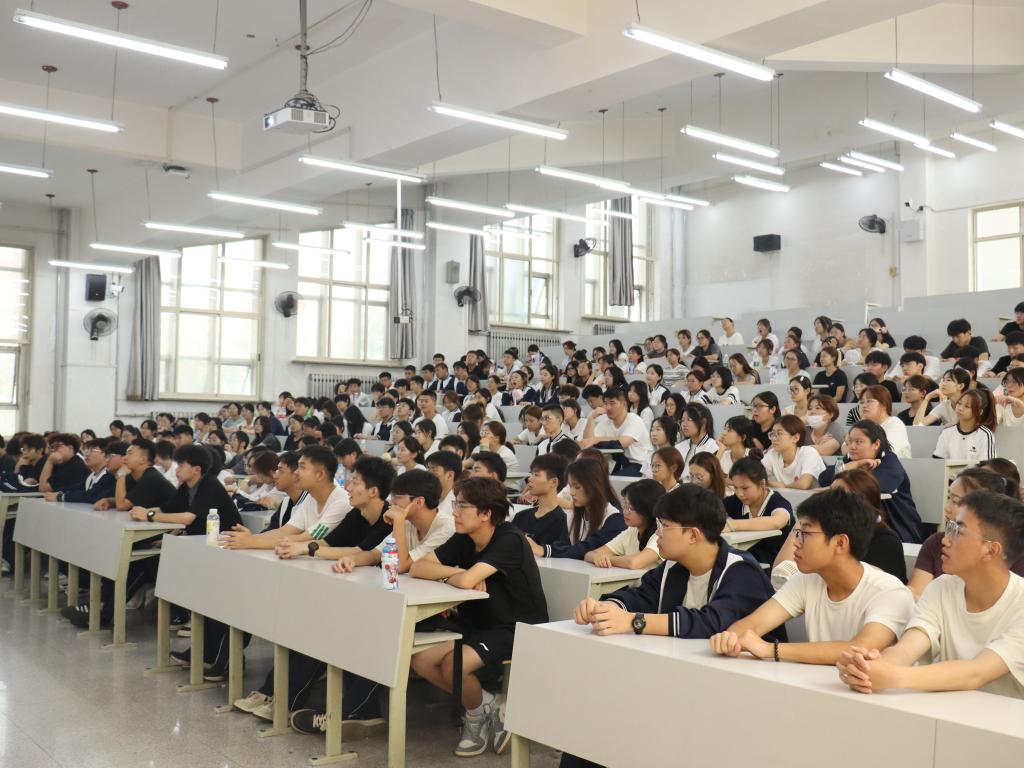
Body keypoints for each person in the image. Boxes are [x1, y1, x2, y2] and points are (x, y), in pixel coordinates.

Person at [837, 490, 1024, 699]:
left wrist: (894, 676)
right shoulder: (941, 587)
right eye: (949, 528)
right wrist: (868, 668)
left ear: (991, 550)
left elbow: (977, 673)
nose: (945, 540)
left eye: (958, 531)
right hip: (943, 711)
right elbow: (907, 649)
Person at [410, 476, 548, 757]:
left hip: (517, 628)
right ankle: (488, 704)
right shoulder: (465, 537)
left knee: (454, 665)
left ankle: (474, 718)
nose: (455, 513)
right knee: (419, 659)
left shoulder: (510, 538)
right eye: (456, 505)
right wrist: (456, 572)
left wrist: (461, 577)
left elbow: (466, 582)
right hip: (477, 624)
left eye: (462, 506)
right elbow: (419, 567)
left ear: (486, 513)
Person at [711, 489, 914, 665]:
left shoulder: (889, 592)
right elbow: (752, 625)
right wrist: (729, 639)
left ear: (840, 543)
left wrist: (771, 649)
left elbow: (860, 648)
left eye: (805, 534)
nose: (796, 542)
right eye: (797, 533)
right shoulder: (807, 580)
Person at [574, 484, 782, 644]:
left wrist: (633, 621)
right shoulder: (673, 566)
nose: (658, 533)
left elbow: (712, 623)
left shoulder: (741, 571)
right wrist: (605, 610)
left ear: (693, 535)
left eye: (664, 526)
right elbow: (639, 596)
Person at [908, 467, 1022, 601]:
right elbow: (917, 594)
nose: (947, 508)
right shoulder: (941, 586)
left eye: (956, 501)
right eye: (948, 498)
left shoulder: (1014, 560)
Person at [219, 446, 352, 550]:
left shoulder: (341, 502)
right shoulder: (311, 498)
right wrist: (252, 538)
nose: (296, 472)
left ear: (320, 474)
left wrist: (253, 541)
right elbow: (286, 531)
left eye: (302, 467)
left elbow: (307, 537)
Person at [818, 421, 924, 544]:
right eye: (850, 441)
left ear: (876, 444)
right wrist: (854, 465)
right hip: (859, 528)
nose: (852, 446)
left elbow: (875, 487)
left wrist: (839, 483)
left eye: (858, 442)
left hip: (897, 530)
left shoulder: (890, 462)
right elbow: (824, 479)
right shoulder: (851, 459)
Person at [530, 458, 624, 559]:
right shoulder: (572, 516)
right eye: (570, 486)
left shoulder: (615, 519)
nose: (571, 493)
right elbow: (563, 546)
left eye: (577, 487)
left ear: (594, 486)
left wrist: (544, 550)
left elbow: (587, 548)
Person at [723, 457, 794, 565]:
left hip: (775, 565)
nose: (740, 494)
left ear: (762, 484)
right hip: (743, 562)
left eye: (745, 488)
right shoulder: (733, 502)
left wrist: (732, 525)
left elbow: (777, 521)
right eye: (736, 488)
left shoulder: (778, 502)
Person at [579, 387, 653, 476]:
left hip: (640, 465)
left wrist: (595, 440)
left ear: (624, 404)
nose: (608, 407)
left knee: (609, 480)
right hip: (617, 464)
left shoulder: (634, 419)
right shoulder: (606, 423)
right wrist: (591, 418)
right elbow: (587, 443)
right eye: (606, 403)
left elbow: (622, 442)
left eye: (612, 403)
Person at [512, 453, 569, 547]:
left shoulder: (561, 521)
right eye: (531, 474)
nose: (530, 479)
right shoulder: (521, 516)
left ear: (553, 482)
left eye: (536, 475)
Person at [761, 415, 826, 489]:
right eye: (772, 434)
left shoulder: (809, 452)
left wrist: (783, 486)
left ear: (795, 438)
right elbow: (755, 477)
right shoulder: (772, 454)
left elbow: (804, 484)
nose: (774, 438)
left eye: (779, 433)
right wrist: (769, 483)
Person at [932, 389, 997, 461]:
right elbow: (937, 462)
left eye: (967, 406)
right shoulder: (946, 432)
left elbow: (988, 465)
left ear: (979, 412)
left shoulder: (985, 435)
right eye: (959, 403)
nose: (960, 408)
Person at [859, 384, 912, 459]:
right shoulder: (862, 426)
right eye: (862, 402)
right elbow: (845, 448)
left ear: (884, 405)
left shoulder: (895, 423)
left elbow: (883, 452)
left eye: (869, 401)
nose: (864, 405)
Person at [674, 403, 718, 482]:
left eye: (689, 420)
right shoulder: (679, 447)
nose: (684, 424)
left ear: (703, 422)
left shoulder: (714, 447)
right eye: (682, 420)